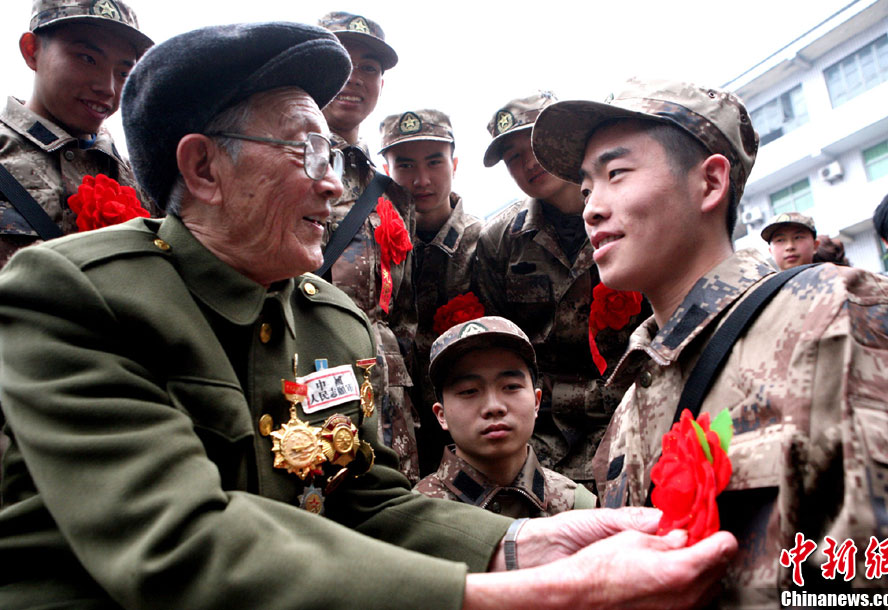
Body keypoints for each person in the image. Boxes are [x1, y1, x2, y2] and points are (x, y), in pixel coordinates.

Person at [0, 24, 740, 609]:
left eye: (329, 153)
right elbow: (177, 546)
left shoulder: (331, 323)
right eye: (305, 151)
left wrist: (520, 544)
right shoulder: (74, 294)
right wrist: (527, 594)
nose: (332, 185)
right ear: (203, 170)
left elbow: (364, 500)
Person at [531, 78, 888, 607]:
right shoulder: (629, 408)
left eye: (616, 174)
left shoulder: (839, 316)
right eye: (585, 190)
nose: (592, 209)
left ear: (710, 182)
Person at [475, 92, 648, 492]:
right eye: (513, 157)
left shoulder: (624, 214)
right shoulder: (500, 240)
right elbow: (497, 342)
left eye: (535, 145)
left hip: (630, 413)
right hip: (541, 431)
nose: (528, 162)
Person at [317, 11, 421, 483]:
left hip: (385, 394)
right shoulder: (275, 160)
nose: (354, 77)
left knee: (395, 507)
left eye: (369, 68)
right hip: (309, 375)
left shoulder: (391, 194)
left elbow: (404, 312)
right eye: (340, 60)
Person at [0, 0, 158, 268]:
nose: (108, 87)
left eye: (123, 72)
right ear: (31, 50)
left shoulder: (142, 181)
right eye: (87, 59)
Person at [379, 108, 482, 474]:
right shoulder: (373, 246)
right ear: (387, 170)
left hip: (469, 425)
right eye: (405, 165)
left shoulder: (486, 244)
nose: (421, 180)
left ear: (454, 163)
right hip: (393, 422)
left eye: (434, 162)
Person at [415, 316, 597, 516]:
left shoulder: (577, 507)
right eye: (469, 391)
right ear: (441, 415)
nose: (494, 407)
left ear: (537, 402)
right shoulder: (417, 516)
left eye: (511, 387)